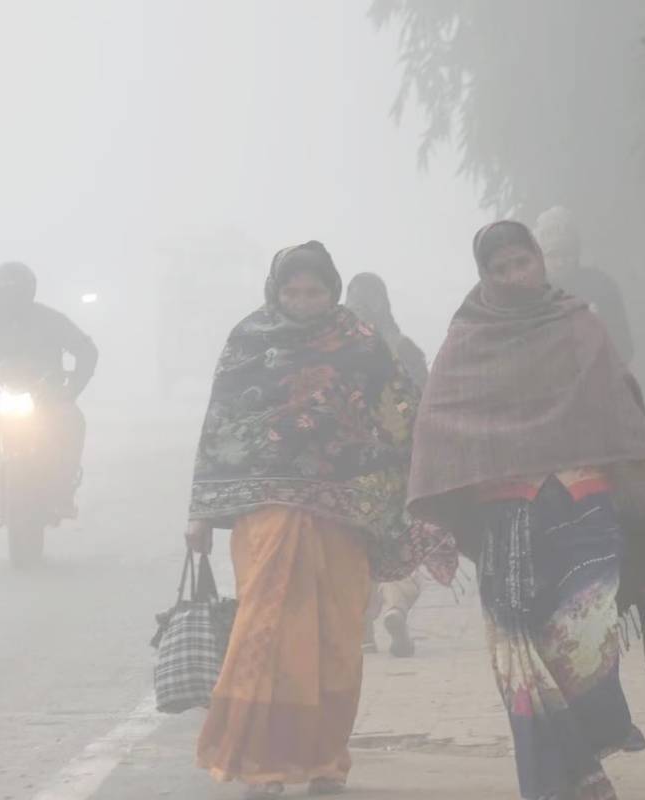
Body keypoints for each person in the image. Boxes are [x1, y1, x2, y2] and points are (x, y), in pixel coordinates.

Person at [407, 220, 645, 800]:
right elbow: (439, 424)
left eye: (523, 262)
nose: (515, 276)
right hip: (508, 520)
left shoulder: (579, 324)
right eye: (500, 269)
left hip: (584, 509)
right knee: (518, 650)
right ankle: (567, 779)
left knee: (587, 642)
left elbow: (619, 406)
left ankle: (585, 753)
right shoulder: (468, 338)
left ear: (541, 261)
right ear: (484, 277)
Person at [185, 242, 454, 798]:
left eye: (315, 291)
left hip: (342, 523)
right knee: (266, 633)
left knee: (334, 640)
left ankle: (328, 761)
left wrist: (419, 493)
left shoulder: (362, 345)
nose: (303, 301)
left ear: (333, 292)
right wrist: (200, 514)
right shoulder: (248, 343)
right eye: (293, 291)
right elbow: (221, 427)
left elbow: (401, 419)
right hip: (268, 520)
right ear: (275, 291)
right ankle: (262, 763)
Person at [0, 262, 98, 518]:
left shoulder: (50, 319)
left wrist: (72, 389)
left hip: (47, 396)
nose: (10, 300)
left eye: (16, 293)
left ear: (29, 292)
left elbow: (86, 349)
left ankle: (64, 491)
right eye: (4, 294)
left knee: (74, 419)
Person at [346, 272, 429, 657]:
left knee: (355, 550)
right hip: (398, 469)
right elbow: (427, 409)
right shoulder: (405, 348)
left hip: (350, 472)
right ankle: (395, 608)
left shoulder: (334, 351)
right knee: (398, 546)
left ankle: (362, 629)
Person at [534, 206, 634, 365]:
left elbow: (624, 346)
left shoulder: (602, 286)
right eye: (553, 254)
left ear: (578, 251)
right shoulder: (532, 294)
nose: (561, 262)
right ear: (540, 256)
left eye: (567, 253)